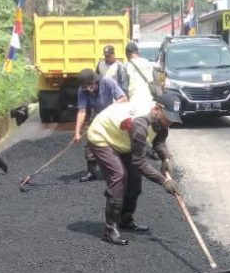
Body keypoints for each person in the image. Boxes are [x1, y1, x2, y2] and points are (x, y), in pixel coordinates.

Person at [86, 90, 182, 246]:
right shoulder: (140, 123)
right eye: (167, 119)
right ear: (157, 109)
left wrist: (165, 158)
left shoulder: (161, 119)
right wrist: (164, 181)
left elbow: (159, 141)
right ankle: (110, 231)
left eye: (172, 120)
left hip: (122, 139)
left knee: (135, 181)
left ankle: (125, 220)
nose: (169, 123)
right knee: (119, 176)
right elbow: (139, 162)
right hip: (102, 136)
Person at [74, 67, 128, 182]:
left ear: (95, 82)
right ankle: (91, 171)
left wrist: (110, 108)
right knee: (90, 141)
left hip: (113, 115)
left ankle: (120, 168)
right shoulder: (82, 90)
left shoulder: (108, 82)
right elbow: (82, 111)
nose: (88, 90)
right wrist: (77, 132)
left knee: (115, 141)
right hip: (97, 116)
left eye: (89, 86)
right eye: (84, 87)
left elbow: (124, 99)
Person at [125, 40, 157, 109]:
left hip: (134, 102)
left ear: (127, 54)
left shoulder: (127, 66)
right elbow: (155, 81)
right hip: (149, 101)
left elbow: (125, 87)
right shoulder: (147, 63)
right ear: (138, 52)